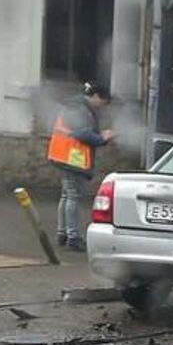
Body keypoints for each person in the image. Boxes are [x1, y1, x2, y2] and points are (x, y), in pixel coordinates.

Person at [47, 82, 114, 251]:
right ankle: (73, 236)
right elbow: (82, 133)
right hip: (72, 158)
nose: (102, 107)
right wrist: (102, 138)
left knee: (66, 195)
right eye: (102, 103)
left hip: (64, 155)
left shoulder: (75, 105)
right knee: (73, 196)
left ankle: (63, 233)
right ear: (96, 96)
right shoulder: (80, 109)